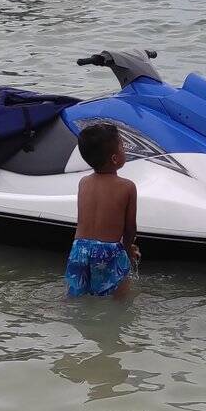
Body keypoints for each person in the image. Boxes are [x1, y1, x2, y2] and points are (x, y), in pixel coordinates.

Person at [67, 122, 139, 299]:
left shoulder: (83, 182)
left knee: (75, 297)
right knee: (120, 297)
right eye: (123, 145)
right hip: (108, 251)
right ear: (115, 159)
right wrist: (128, 250)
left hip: (79, 249)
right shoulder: (127, 187)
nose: (125, 149)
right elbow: (130, 228)